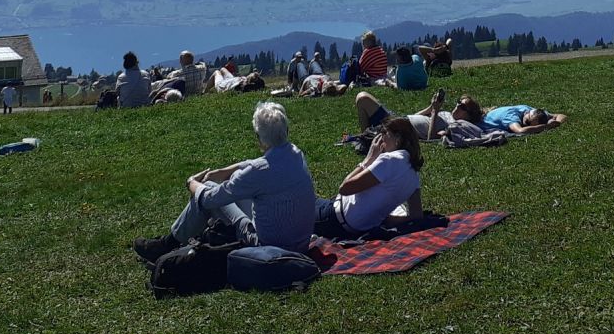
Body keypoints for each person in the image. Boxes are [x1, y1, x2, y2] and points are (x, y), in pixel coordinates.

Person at [132, 101, 315, 264]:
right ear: (286, 131)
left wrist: (192, 183)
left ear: (258, 138)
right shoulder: (295, 153)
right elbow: (255, 165)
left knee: (208, 190)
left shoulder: (258, 172)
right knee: (225, 191)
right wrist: (222, 172)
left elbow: (209, 199)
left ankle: (168, 243)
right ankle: (180, 237)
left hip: (268, 247)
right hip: (300, 243)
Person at [314, 116, 424, 240]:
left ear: (398, 138)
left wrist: (368, 159)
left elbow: (344, 188)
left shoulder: (389, 160)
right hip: (358, 227)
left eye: (384, 133)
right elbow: (416, 215)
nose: (381, 138)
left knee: (299, 205)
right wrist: (383, 219)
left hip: (334, 219)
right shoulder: (413, 174)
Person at [356, 89, 456, 140]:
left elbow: (431, 139)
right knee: (363, 97)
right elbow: (415, 117)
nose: (458, 104)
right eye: (459, 102)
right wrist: (430, 108)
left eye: (463, 106)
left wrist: (434, 112)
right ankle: (366, 135)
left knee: (362, 98)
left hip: (398, 127)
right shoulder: (447, 114)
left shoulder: (454, 126)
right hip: (400, 119)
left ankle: (365, 137)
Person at [450, 95, 567, 135]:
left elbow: (561, 115)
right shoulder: (512, 117)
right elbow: (521, 131)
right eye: (526, 122)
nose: (526, 124)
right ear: (526, 115)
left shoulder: (528, 110)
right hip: (476, 121)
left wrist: (556, 122)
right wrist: (547, 127)